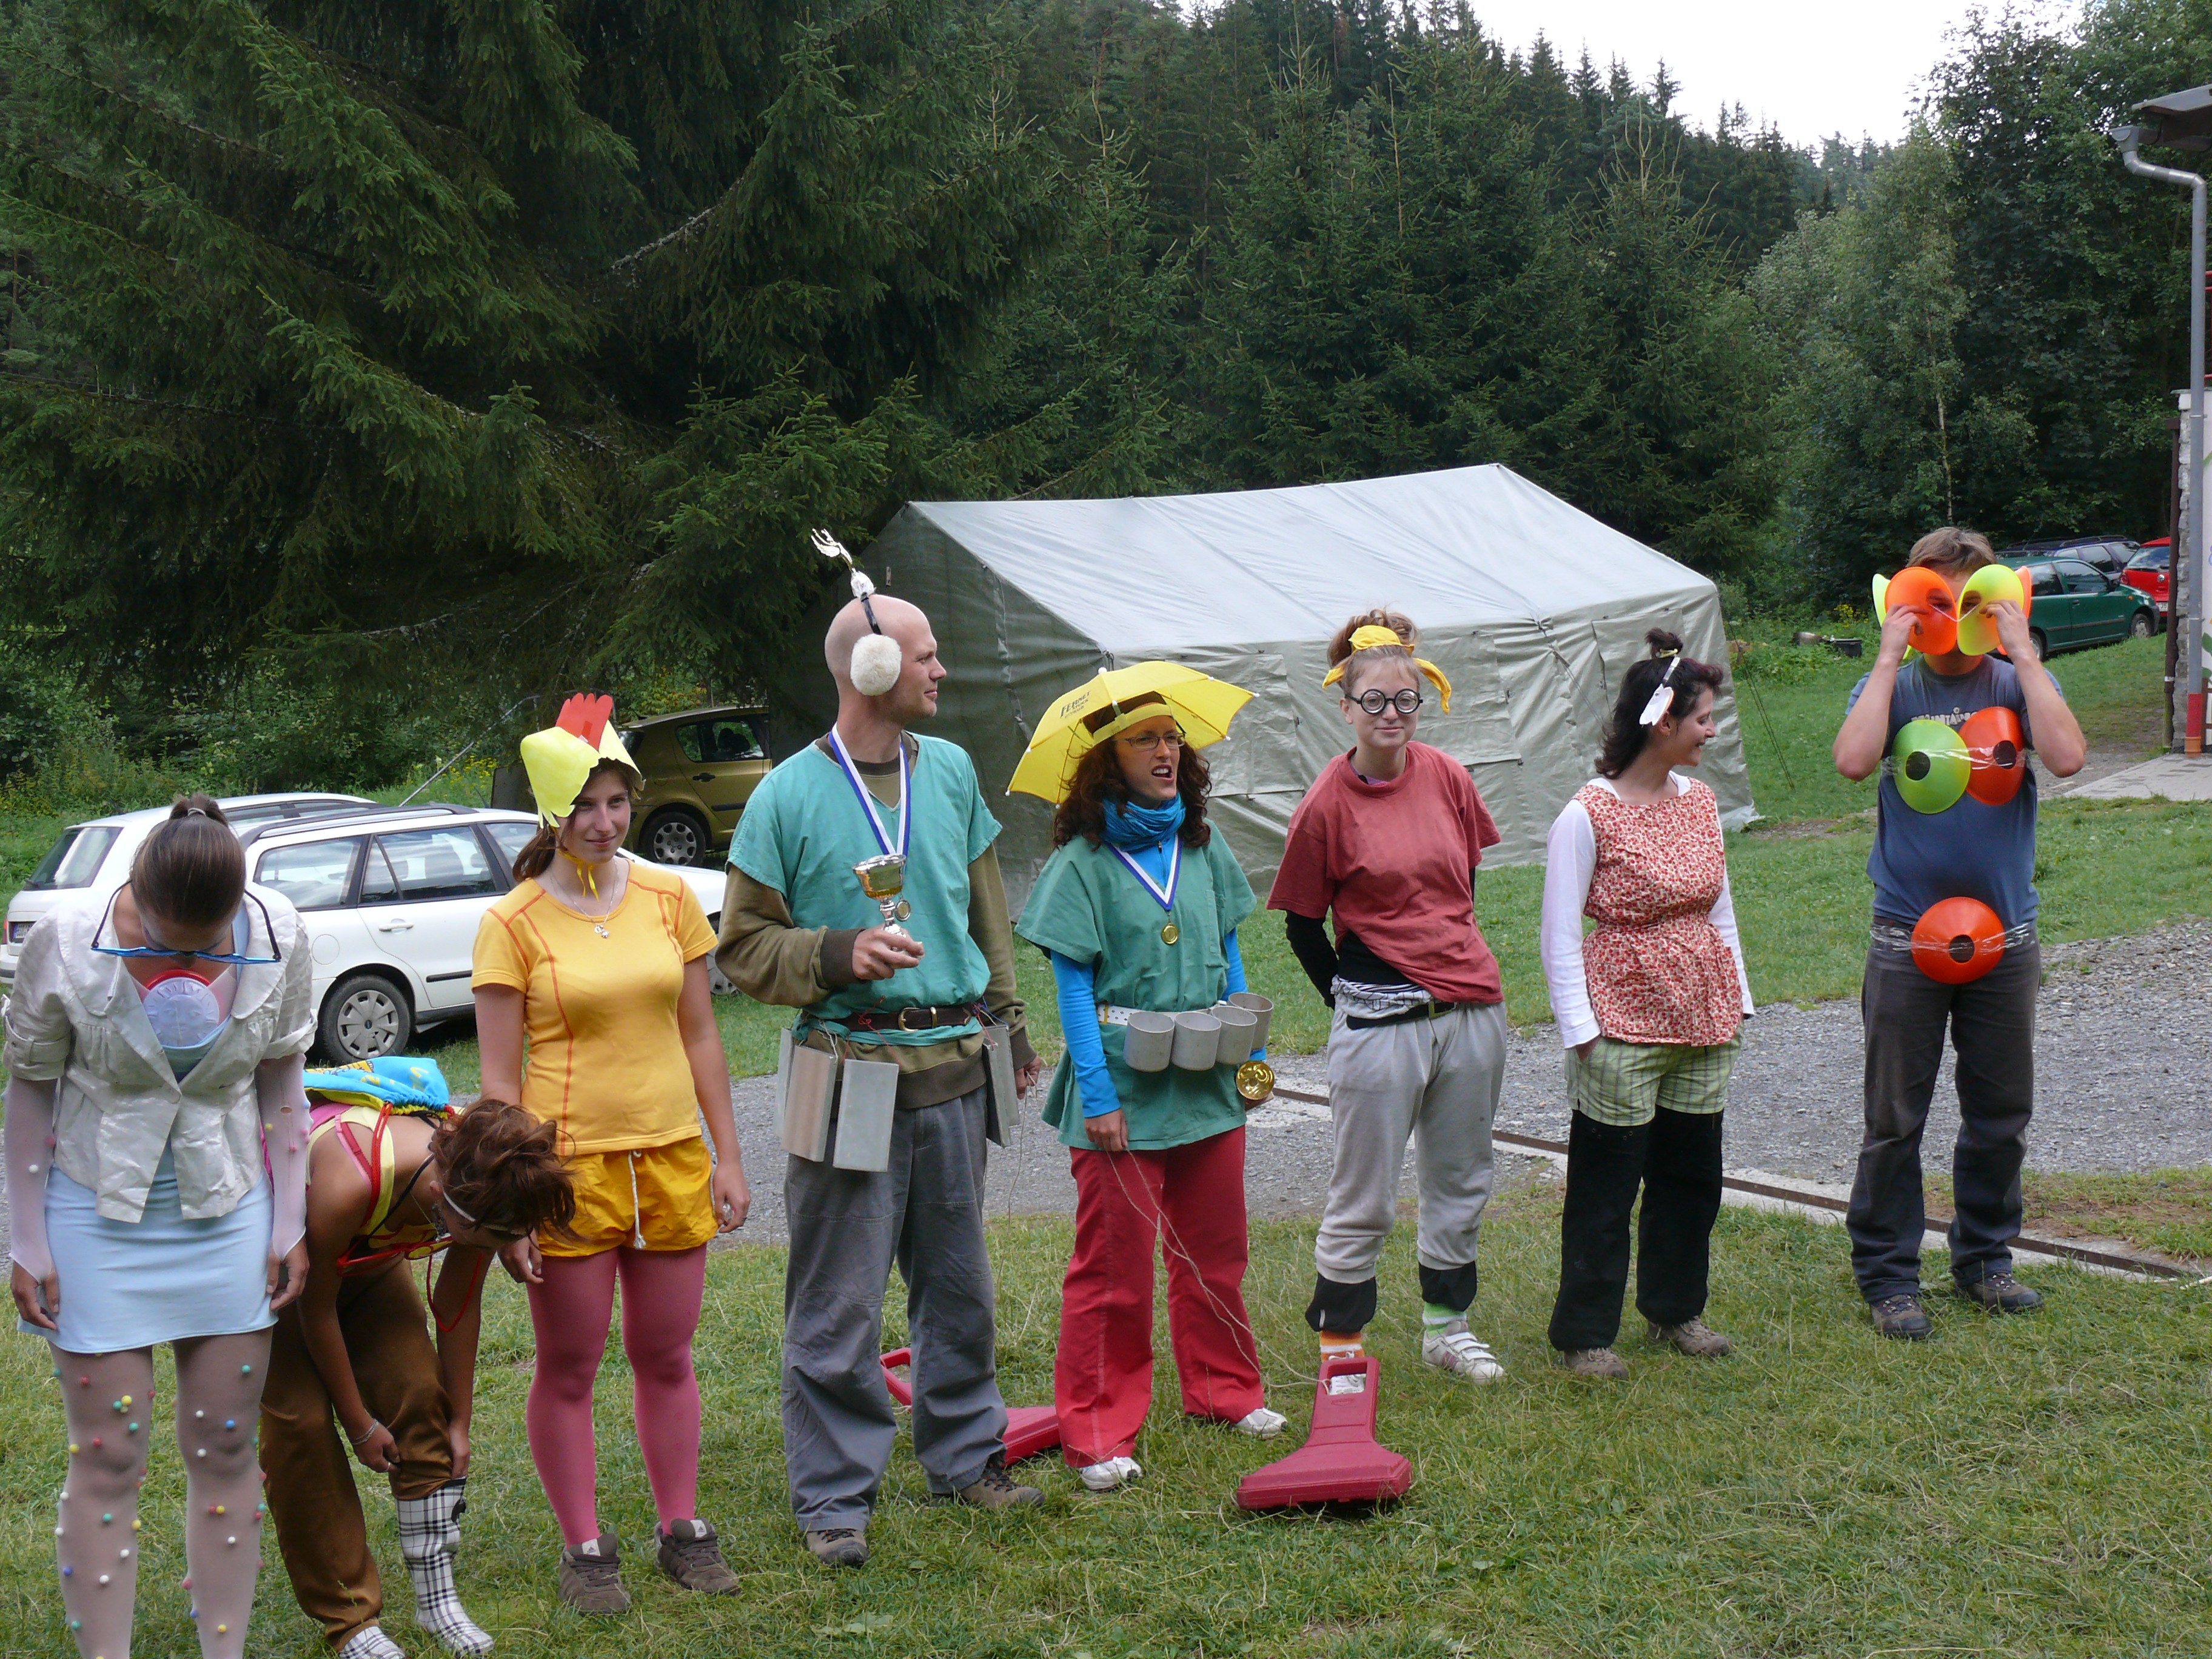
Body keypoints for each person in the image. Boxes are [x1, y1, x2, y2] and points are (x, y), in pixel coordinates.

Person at [720, 578, 1045, 1570]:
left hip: (953, 1067)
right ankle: (834, 1498)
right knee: (839, 1302)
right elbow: (742, 948)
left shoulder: (950, 771)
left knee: (960, 1289)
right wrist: (835, 953)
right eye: (926, 654)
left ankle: (967, 1459)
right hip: (848, 1075)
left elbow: (985, 914)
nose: (942, 668)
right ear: (871, 667)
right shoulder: (785, 795)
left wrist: (1008, 1022)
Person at [5, 796, 316, 1659]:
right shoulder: (66, 943)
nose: (184, 961)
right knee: (109, 1453)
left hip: (228, 1210)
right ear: (136, 894)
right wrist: (24, 1241)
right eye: (167, 942)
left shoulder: (278, 931)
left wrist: (288, 1222)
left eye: (204, 946)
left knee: (225, 1446)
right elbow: (30, 1091)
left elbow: (283, 1082)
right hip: (94, 1212)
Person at [472, 694, 752, 1613]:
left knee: (667, 1354)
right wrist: (511, 1205)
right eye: (584, 807)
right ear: (550, 814)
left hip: (669, 1160)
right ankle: (585, 1547)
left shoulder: (671, 898)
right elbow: (499, 1081)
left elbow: (701, 1034)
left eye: (618, 803)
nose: (603, 823)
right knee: (570, 1365)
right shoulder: (512, 922)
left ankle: (683, 1528)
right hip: (567, 1175)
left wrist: (728, 1155)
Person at [1013, 683, 1286, 1493]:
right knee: (1114, 1272)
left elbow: (1232, 959)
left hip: (1209, 1077)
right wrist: (1099, 1097)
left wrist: (1249, 1059)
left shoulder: (1203, 844)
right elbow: (1072, 991)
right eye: (1144, 740)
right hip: (1123, 1088)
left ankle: (1225, 1392)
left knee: (1217, 1252)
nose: (1165, 752)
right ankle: (1099, 1431)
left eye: (1172, 738)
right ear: (1108, 760)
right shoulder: (1080, 864)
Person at [1833, 527, 2085, 1338]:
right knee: (1894, 1118)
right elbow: (1852, 761)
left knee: (2001, 1112)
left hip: (2004, 940)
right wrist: (1887, 656)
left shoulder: (2014, 681)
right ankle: (1888, 1276)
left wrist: (2025, 652)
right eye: (1932, 598)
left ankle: (1984, 1260)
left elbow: (2068, 757)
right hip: (1906, 938)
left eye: (1968, 596)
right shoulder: (1895, 685)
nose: (1951, 615)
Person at [260, 1061, 578, 1659]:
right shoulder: (351, 1180)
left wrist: (460, 1422)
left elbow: (455, 1306)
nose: (486, 1250)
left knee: (418, 1392)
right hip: (280, 1276)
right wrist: (360, 1425)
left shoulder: (480, 1180)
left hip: (367, 1260)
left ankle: (437, 1601)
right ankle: (351, 1624)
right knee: (301, 1428)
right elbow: (317, 1312)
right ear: (440, 1199)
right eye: (483, 1240)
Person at [1267, 610, 1510, 1383]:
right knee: (1364, 1195)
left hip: (1470, 1008)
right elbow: (1303, 925)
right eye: (1374, 701)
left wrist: (1444, 962)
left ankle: (1447, 1330)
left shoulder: (1448, 777)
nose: (1392, 714)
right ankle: (1342, 1349)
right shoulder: (1325, 805)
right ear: (1346, 707)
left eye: (1406, 700)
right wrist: (1350, 999)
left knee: (1461, 1178)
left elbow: (1461, 885)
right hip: (1379, 1019)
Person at [1540, 630, 1755, 1379]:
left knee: (1692, 1180)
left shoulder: (1700, 803)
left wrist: (1739, 999)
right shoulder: (1586, 814)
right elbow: (1560, 934)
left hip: (1705, 1018)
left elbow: (1719, 911)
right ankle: (1585, 1336)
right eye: (1703, 718)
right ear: (1663, 722)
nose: (1711, 731)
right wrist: (1583, 1033)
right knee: (1605, 1189)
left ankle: (1675, 1311)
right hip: (1621, 1024)